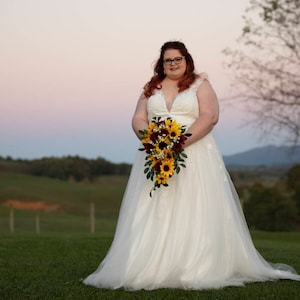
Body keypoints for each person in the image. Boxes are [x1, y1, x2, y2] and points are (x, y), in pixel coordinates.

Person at [83, 41, 300, 290]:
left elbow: (210, 116)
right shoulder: (150, 87)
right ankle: (147, 263)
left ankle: (195, 264)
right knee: (153, 205)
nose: (173, 64)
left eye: (178, 59)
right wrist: (153, 142)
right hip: (155, 155)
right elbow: (138, 118)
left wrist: (178, 144)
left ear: (187, 60)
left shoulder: (200, 84)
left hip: (195, 153)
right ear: (161, 63)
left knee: (193, 203)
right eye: (168, 60)